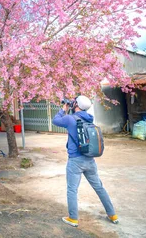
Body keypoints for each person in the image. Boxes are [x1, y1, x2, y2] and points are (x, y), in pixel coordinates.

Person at [52, 95, 119, 228]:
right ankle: (112, 215)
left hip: (75, 161)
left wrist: (63, 109)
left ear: (76, 104)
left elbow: (55, 120)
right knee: (99, 187)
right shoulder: (90, 120)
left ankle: (73, 218)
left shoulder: (70, 119)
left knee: (72, 190)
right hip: (90, 160)